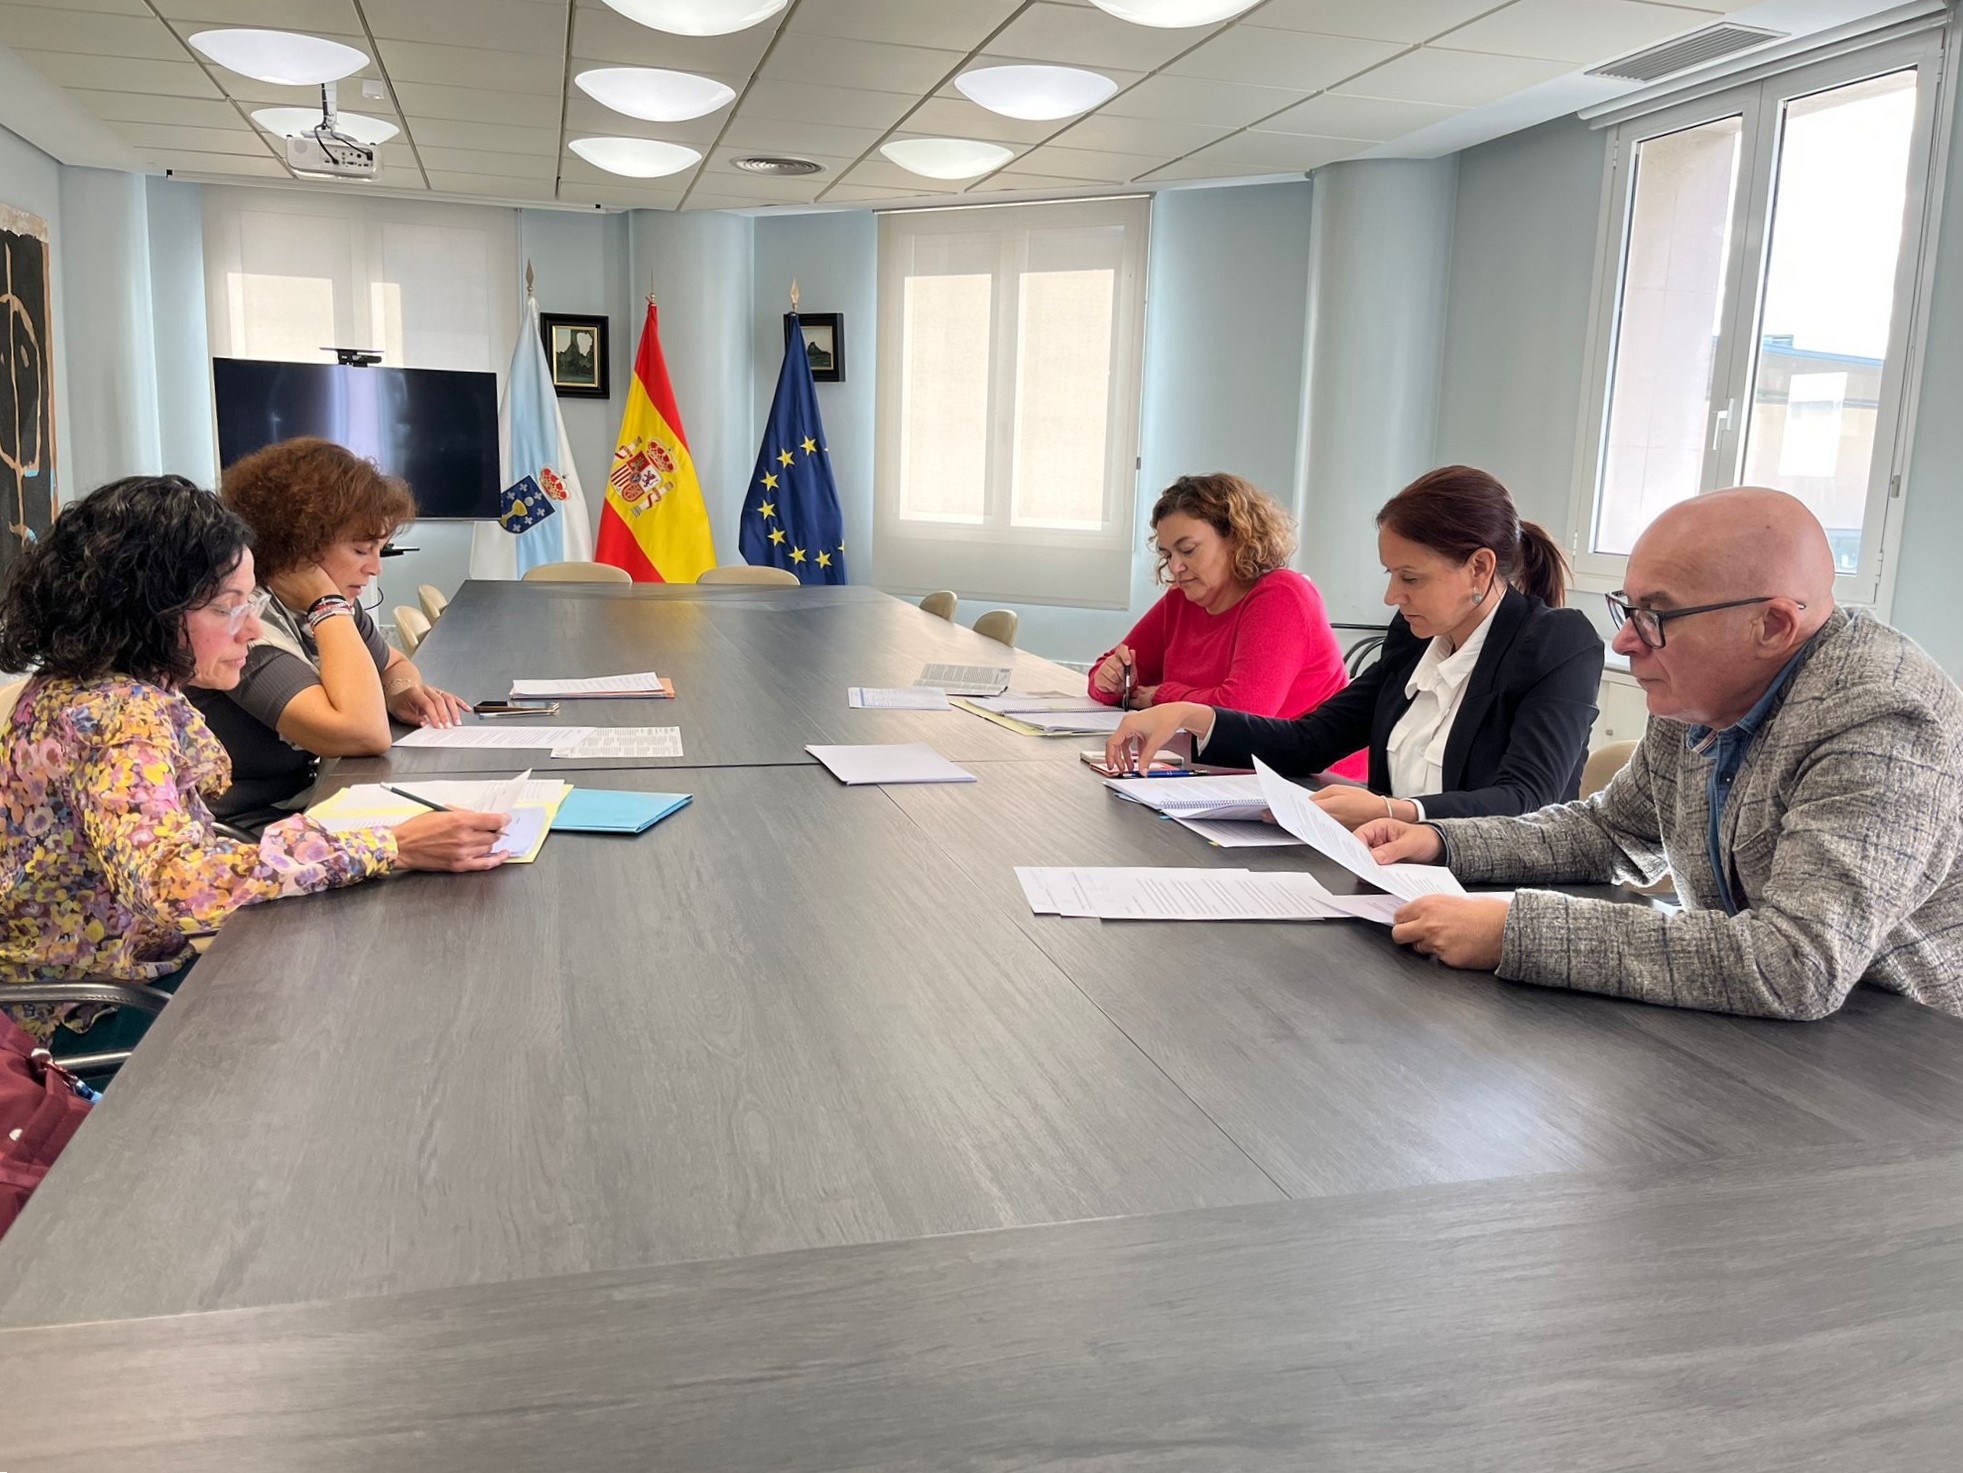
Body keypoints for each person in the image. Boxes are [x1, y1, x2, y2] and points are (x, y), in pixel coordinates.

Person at [1362, 487, 1963, 1021]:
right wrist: (1441, 840)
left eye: (1654, 615)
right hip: (1754, 1029)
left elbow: (1794, 962)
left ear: (1773, 625)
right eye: (1628, 608)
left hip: (1901, 1057)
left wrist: (1515, 930)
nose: (1625, 640)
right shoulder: (1700, 690)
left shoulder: (1880, 715)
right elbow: (1610, 831)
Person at [0, 476, 508, 1055]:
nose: (250, 629)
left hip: (119, 967)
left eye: (251, 604)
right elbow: (179, 885)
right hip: (90, 1011)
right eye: (227, 608)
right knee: (364, 1018)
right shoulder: (121, 718)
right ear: (146, 611)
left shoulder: (78, 684)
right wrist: (392, 847)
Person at [1107, 466, 1603, 827]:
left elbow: (1526, 800)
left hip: (1493, 899)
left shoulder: (1558, 644)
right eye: (1391, 574)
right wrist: (1193, 715)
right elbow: (1311, 740)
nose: (1392, 596)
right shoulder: (1415, 638)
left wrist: (1391, 811)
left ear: (1479, 568)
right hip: (1394, 875)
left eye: (1410, 578)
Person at [190, 437, 465, 830]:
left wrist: (402, 691)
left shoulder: (328, 606)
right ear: (301, 545)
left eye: (380, 550)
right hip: (249, 829)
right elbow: (363, 734)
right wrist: (326, 602)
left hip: (309, 806)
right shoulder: (245, 625)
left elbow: (394, 664)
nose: (375, 568)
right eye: (361, 550)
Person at [1087, 474, 1365, 780]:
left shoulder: (1281, 595)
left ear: (1236, 538)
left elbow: (1242, 712)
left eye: (1188, 550)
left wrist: (1162, 696)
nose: (1176, 567)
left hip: (1313, 781)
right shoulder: (1182, 599)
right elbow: (1111, 666)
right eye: (1168, 554)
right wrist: (1111, 681)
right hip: (1224, 771)